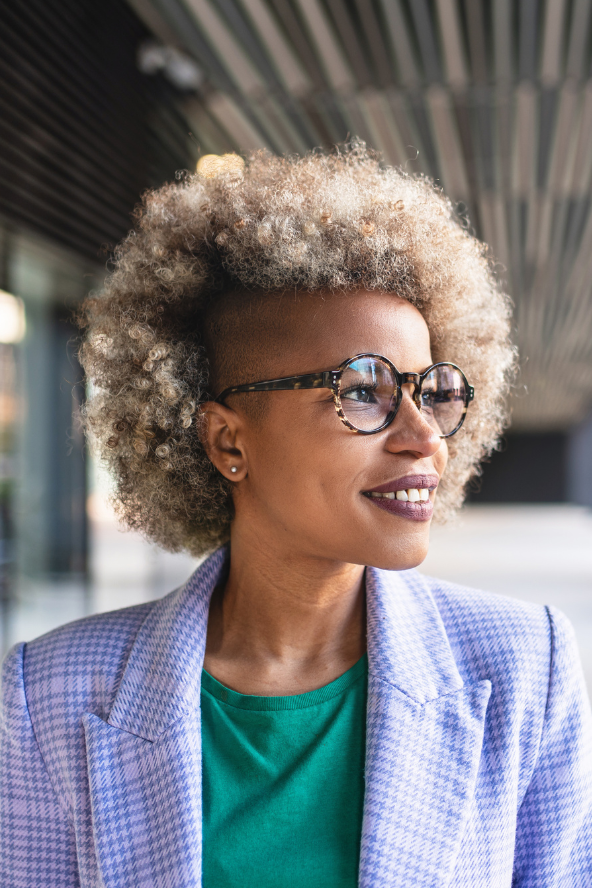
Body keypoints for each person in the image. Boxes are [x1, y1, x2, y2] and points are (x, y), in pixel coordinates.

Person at [1, 144, 591, 888]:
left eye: (430, 390)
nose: (424, 438)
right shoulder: (48, 694)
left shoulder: (522, 669)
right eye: (363, 391)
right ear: (227, 439)